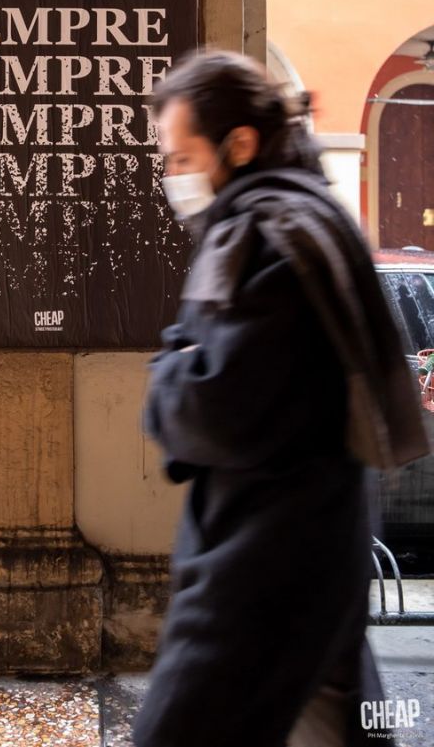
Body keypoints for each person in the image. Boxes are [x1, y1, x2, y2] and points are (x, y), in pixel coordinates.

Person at [133, 50, 430, 747]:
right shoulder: (312, 215)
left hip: (260, 562)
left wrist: (168, 374)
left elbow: (214, 407)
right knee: (335, 723)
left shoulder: (258, 234)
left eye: (181, 158)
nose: (172, 177)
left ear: (238, 144)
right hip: (323, 544)